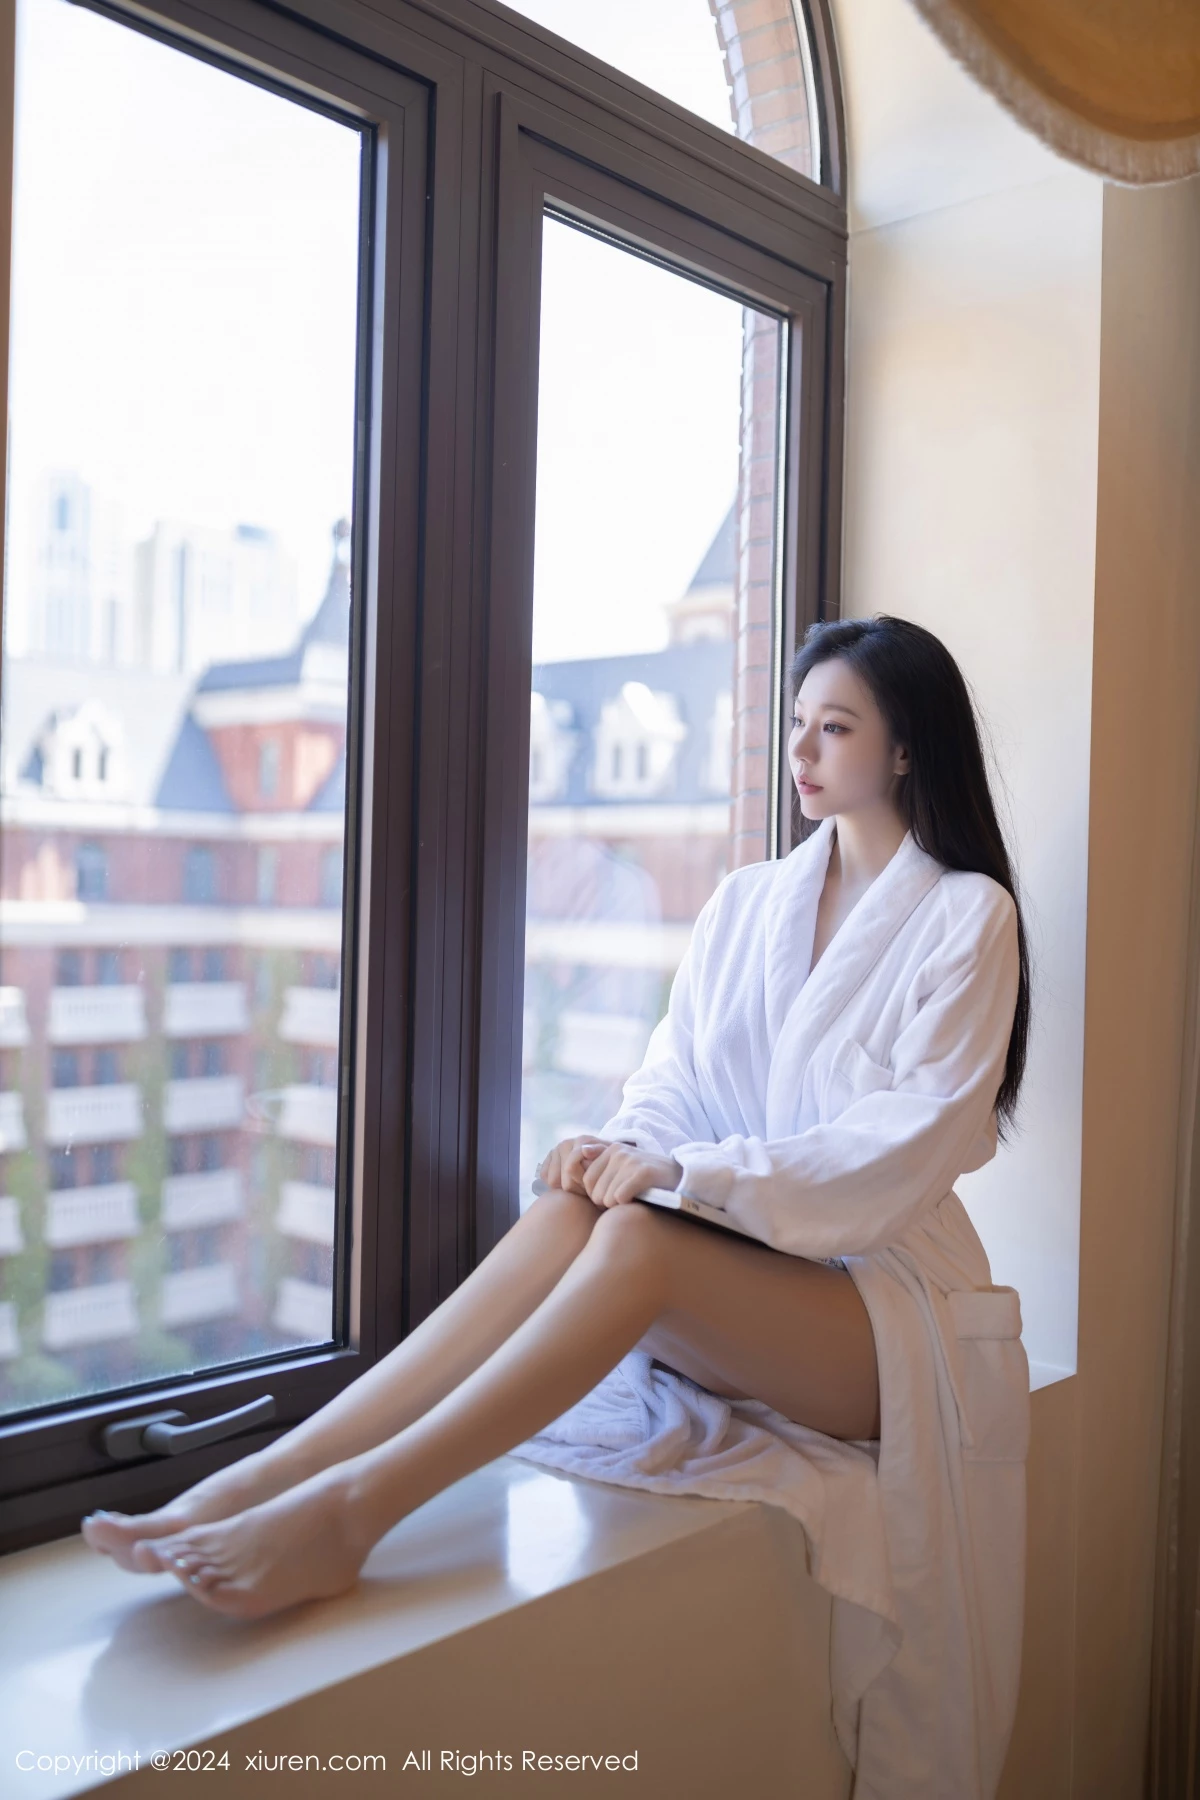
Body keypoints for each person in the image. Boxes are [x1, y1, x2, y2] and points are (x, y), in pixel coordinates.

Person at [82, 614, 1032, 1800]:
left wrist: (683, 1179)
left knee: (638, 1237)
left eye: (834, 728)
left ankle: (352, 1516)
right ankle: (264, 1477)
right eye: (795, 723)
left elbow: (901, 1148)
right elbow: (677, 1076)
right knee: (571, 1210)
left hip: (884, 1312)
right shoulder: (750, 903)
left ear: (903, 748)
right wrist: (625, 1147)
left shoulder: (967, 916)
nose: (801, 751)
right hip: (756, 1268)